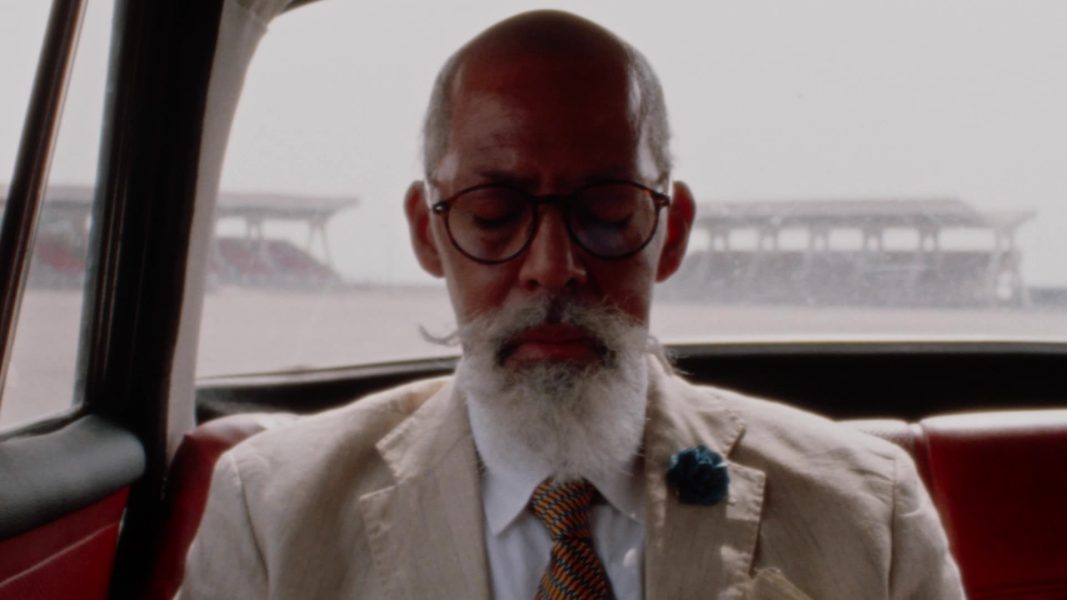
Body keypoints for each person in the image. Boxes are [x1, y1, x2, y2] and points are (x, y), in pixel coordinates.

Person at [182, 10, 963, 599]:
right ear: (428, 232)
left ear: (672, 230)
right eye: (494, 213)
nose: (553, 269)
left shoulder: (866, 510)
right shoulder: (272, 513)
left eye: (607, 212)